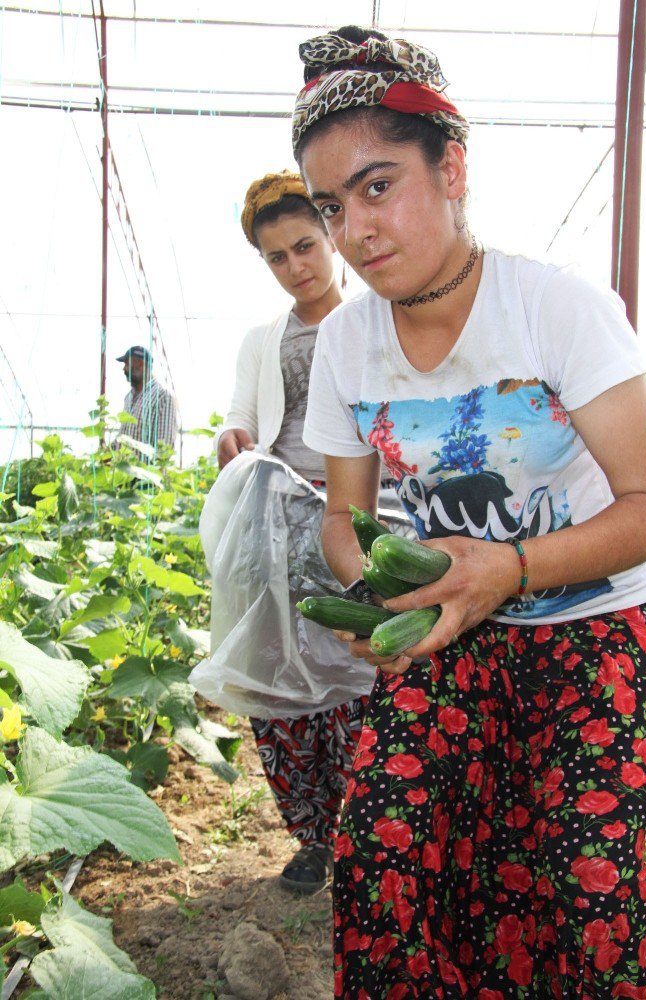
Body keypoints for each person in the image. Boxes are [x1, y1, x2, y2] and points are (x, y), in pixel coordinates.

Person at [292, 25, 646, 999]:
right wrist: (376, 593)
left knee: (582, 875)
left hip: (597, 621)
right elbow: (344, 518)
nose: (354, 230)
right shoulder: (346, 345)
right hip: (451, 627)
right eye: (333, 206)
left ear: (450, 167)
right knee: (385, 853)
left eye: (379, 187)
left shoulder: (558, 309)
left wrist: (514, 567)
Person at [214, 170, 373, 894]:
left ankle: (360, 830)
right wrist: (234, 434)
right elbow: (239, 415)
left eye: (306, 245)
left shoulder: (377, 320)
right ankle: (313, 839)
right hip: (278, 529)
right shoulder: (262, 340)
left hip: (364, 522)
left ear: (333, 235)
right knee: (282, 693)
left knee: (358, 681)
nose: (296, 267)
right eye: (277, 257)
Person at [116, 345, 178, 450]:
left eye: (127, 364)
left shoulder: (163, 397)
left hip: (144, 467)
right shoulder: (128, 397)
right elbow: (123, 436)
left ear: (140, 364)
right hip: (124, 466)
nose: (124, 369)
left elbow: (164, 448)